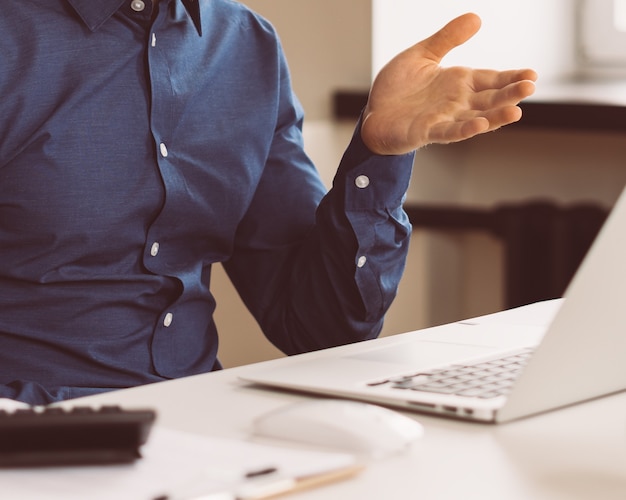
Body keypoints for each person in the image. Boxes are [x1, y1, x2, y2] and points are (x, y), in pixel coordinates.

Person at [0, 1, 536, 405]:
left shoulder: (245, 44)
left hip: (197, 422)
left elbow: (315, 328)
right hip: (29, 433)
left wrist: (378, 153)